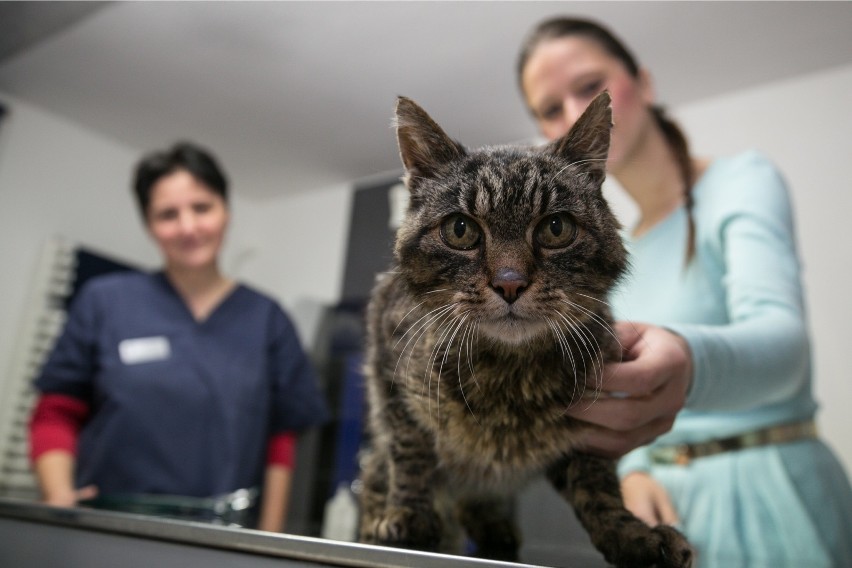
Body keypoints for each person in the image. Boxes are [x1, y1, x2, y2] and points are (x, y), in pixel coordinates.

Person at [517, 17, 852, 567]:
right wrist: (634, 470)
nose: (574, 113)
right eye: (550, 109)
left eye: (588, 85)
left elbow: (785, 345)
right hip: (667, 519)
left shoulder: (740, 181)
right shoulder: (597, 255)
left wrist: (689, 361)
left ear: (643, 83)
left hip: (771, 497)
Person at [28, 142, 328, 532]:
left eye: (202, 208)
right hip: (104, 528)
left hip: (221, 539)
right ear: (149, 225)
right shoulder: (104, 301)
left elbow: (282, 441)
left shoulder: (268, 320)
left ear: (226, 211)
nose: (188, 227)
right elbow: (54, 413)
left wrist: (267, 545)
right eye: (168, 214)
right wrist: (58, 502)